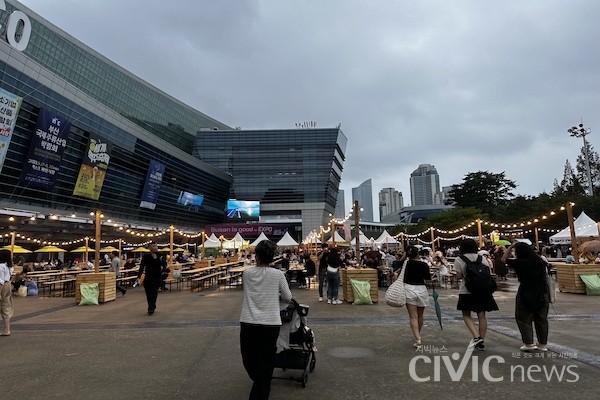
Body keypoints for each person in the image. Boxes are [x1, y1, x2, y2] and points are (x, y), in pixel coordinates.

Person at [240, 240, 292, 400]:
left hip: (249, 321)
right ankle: (262, 382)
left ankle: (259, 388)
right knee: (267, 357)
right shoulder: (278, 275)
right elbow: (288, 297)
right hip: (271, 324)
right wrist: (277, 307)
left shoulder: (247, 274)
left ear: (257, 256)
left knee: (249, 357)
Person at [502, 242, 550, 352]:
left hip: (526, 292)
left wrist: (510, 247)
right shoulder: (540, 262)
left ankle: (529, 343)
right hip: (542, 293)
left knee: (524, 318)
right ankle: (542, 344)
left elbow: (503, 259)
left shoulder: (520, 262)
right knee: (541, 319)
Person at [454, 238, 498, 351]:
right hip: (482, 290)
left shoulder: (459, 259)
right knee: (481, 315)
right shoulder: (481, 258)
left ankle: (476, 336)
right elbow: (487, 272)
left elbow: (459, 276)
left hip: (466, 290)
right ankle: (481, 340)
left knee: (466, 314)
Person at [394, 246, 431, 348]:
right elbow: (427, 280)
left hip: (409, 289)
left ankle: (418, 338)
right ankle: (417, 334)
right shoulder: (424, 265)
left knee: (413, 316)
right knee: (420, 315)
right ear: (418, 253)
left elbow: (396, 266)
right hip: (422, 289)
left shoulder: (405, 264)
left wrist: (404, 257)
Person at [137, 242, 166, 315]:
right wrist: (139, 276)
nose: (155, 247)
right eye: (153, 246)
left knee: (154, 292)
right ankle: (151, 304)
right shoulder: (146, 256)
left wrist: (158, 259)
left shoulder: (161, 255)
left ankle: (151, 307)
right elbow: (142, 266)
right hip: (148, 277)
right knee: (148, 293)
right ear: (149, 248)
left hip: (157, 277)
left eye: (156, 246)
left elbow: (164, 264)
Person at [0, 250, 14, 336]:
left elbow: (0, 281)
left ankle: (6, 330)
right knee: (5, 306)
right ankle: (7, 329)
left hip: (3, 286)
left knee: (3, 306)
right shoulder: (9, 266)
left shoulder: (1, 266)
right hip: (8, 284)